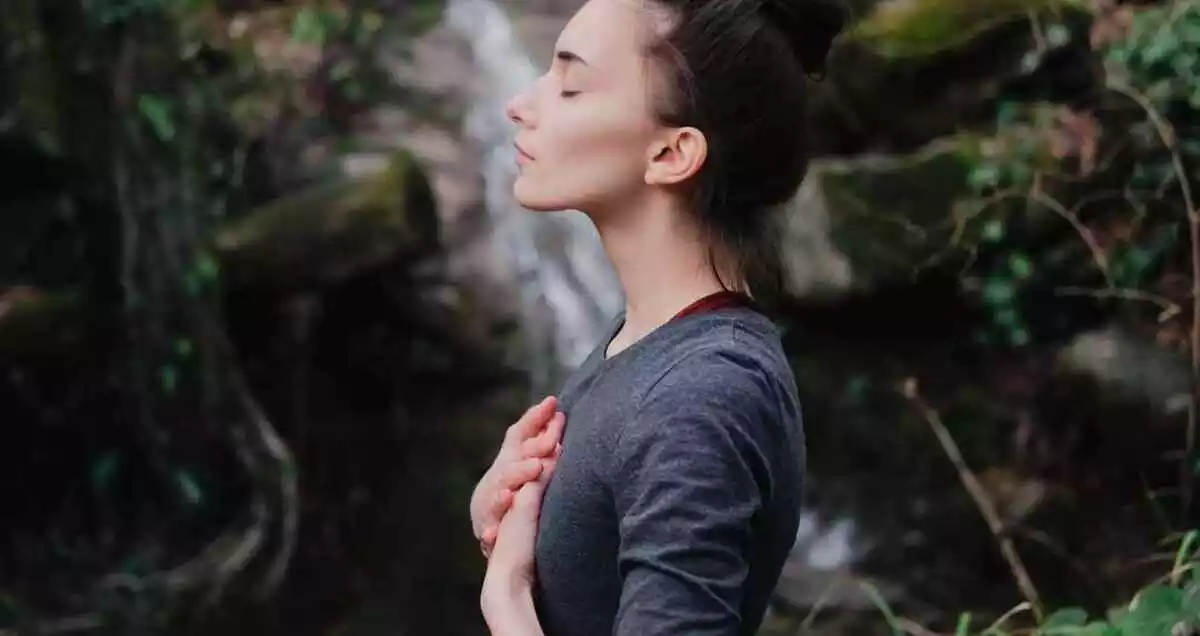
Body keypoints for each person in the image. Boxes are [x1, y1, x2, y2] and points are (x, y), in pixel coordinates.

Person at [468, 0, 847, 632]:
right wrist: (506, 522)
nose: (520, 104)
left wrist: (507, 600)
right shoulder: (646, 341)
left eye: (570, 86)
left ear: (672, 153)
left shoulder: (702, 395)